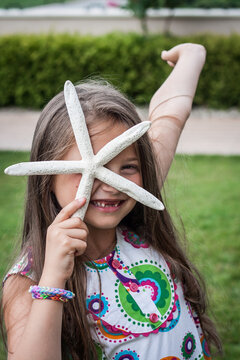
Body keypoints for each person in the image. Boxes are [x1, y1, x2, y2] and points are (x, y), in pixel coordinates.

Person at [1, 43, 222, 360]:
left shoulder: (136, 198)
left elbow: (170, 118)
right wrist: (52, 277)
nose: (108, 184)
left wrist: (192, 57)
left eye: (127, 166)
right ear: (47, 175)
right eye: (85, 169)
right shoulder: (28, 281)